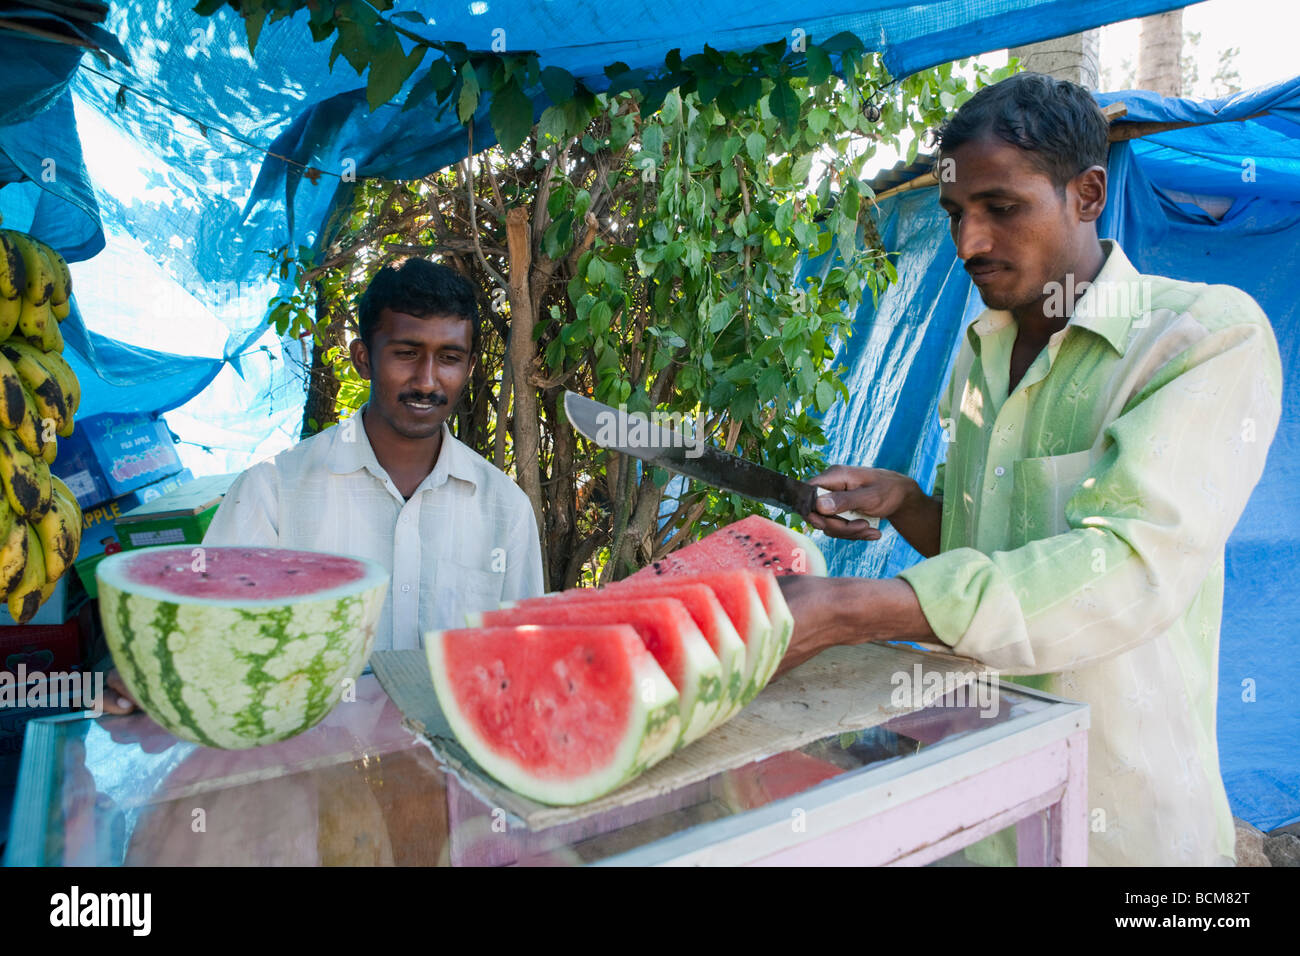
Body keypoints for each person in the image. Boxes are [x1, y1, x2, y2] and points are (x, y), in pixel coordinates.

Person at [777, 73, 1281, 866]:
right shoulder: (979, 354)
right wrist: (909, 504)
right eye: (954, 215)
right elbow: (990, 556)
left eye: (1001, 208)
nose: (968, 244)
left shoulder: (1200, 338)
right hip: (980, 812)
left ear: (1086, 193)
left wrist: (854, 607)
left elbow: (1124, 567)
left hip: (1126, 827)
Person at [104, 258, 544, 713]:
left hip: (457, 768)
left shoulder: (504, 509)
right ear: (363, 359)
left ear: (470, 367)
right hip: (304, 773)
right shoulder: (272, 492)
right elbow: (208, 639)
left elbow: (525, 664)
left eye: (449, 358)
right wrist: (163, 676)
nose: (428, 380)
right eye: (406, 353)